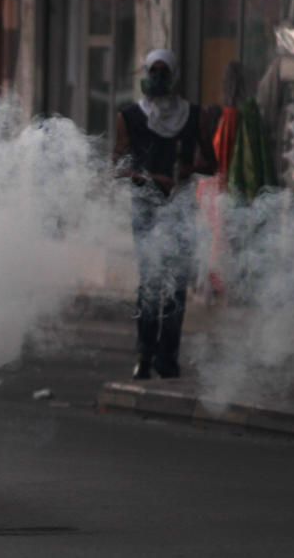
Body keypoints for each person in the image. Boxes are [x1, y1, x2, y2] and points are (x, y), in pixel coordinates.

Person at [113, 49, 215, 380]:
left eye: (163, 71)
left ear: (173, 75)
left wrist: (190, 168)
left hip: (181, 207)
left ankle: (168, 357)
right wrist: (152, 179)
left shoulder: (193, 115)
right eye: (152, 70)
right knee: (151, 282)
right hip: (146, 209)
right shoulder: (129, 117)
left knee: (176, 287)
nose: (157, 77)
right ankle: (145, 352)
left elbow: (210, 163)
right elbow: (118, 167)